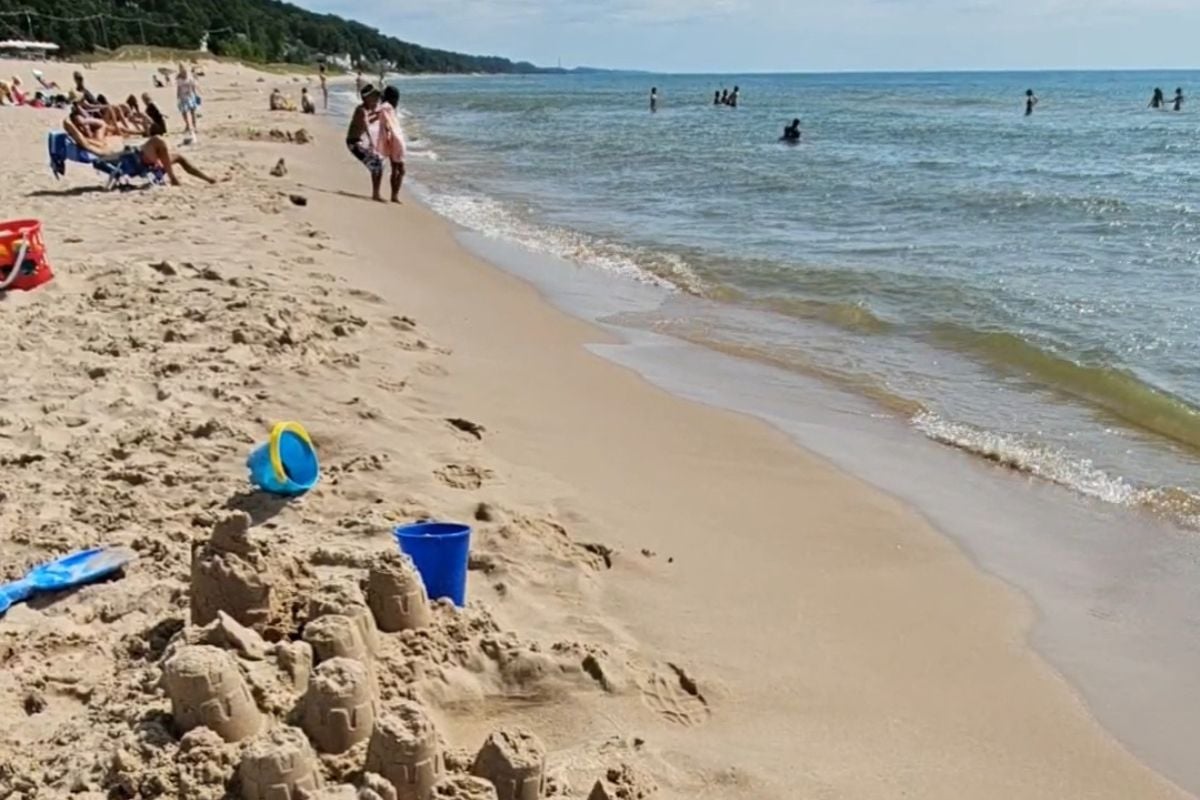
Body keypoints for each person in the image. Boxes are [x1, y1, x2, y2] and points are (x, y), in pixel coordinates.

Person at [62, 116, 216, 185]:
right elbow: (80, 138)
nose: (87, 128)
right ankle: (173, 178)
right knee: (157, 140)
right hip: (134, 160)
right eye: (83, 128)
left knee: (179, 157)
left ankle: (208, 179)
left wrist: (83, 121)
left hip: (137, 156)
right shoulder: (93, 146)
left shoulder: (98, 139)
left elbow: (100, 124)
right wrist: (70, 125)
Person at [346, 83, 385, 202]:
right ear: (366, 98)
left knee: (378, 164)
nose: (376, 99)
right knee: (377, 164)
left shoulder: (367, 110)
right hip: (353, 143)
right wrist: (372, 142)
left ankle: (376, 193)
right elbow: (366, 124)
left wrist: (378, 116)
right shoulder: (361, 110)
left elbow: (368, 121)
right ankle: (376, 194)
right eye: (374, 97)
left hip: (358, 142)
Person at [379, 85, 408, 203]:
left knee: (395, 168)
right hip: (396, 140)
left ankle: (394, 195)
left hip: (391, 140)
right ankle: (394, 195)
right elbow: (388, 123)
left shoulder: (384, 106)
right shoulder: (388, 108)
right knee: (401, 170)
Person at [176, 64, 200, 142]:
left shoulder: (190, 78)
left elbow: (193, 87)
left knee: (193, 112)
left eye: (185, 71)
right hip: (183, 97)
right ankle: (188, 125)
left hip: (190, 96)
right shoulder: (179, 79)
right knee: (184, 112)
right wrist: (178, 97)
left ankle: (194, 126)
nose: (184, 73)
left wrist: (196, 96)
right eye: (182, 71)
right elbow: (178, 88)